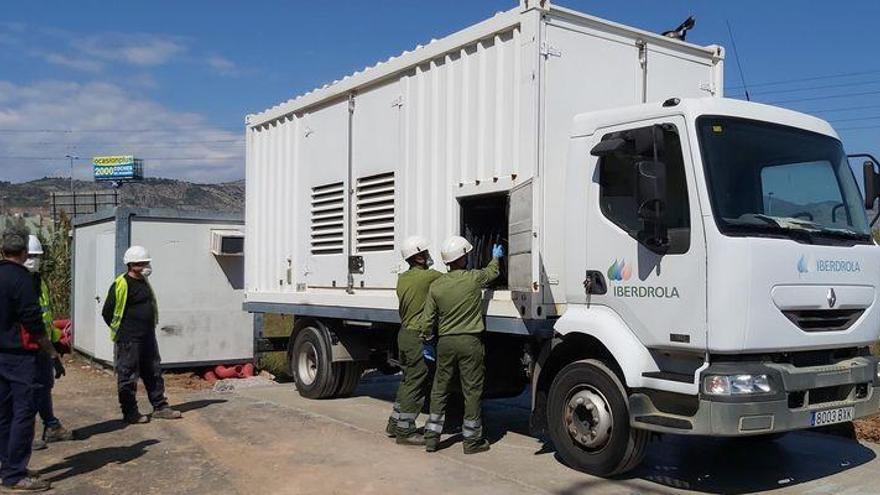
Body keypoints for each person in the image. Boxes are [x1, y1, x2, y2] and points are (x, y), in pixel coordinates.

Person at [419, 236, 502, 454]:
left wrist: (427, 340)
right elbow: (492, 273)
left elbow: (427, 321)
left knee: (439, 389)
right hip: (470, 342)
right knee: (471, 391)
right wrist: (495, 258)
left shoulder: (436, 286)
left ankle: (431, 439)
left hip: (445, 342)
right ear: (462, 258)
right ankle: (472, 441)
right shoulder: (472, 279)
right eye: (466, 254)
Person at [0, 227, 64, 491]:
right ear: (24, 252)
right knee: (23, 413)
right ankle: (14, 475)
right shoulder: (22, 279)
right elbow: (33, 321)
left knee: (3, 413)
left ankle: (8, 465)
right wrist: (51, 351)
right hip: (19, 357)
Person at [101, 246, 181, 424]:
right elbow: (107, 312)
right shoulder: (121, 284)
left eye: (147, 262)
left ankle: (160, 406)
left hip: (147, 336)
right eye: (143, 263)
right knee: (128, 375)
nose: (146, 266)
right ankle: (130, 412)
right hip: (129, 339)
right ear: (132, 265)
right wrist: (122, 332)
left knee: (153, 371)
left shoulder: (144, 281)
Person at [384, 236, 442, 446]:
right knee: (416, 384)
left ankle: (394, 423)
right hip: (418, 337)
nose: (428, 256)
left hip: (405, 335)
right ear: (418, 257)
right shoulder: (427, 277)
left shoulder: (404, 278)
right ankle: (405, 431)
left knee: (408, 380)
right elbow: (454, 279)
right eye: (425, 253)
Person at [25, 236, 73, 450]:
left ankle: (51, 426)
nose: (33, 260)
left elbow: (45, 317)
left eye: (37, 256)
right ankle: (23, 436)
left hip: (42, 346)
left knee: (43, 386)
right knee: (25, 392)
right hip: (23, 348)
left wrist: (55, 344)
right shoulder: (16, 282)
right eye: (30, 256)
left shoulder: (38, 281)